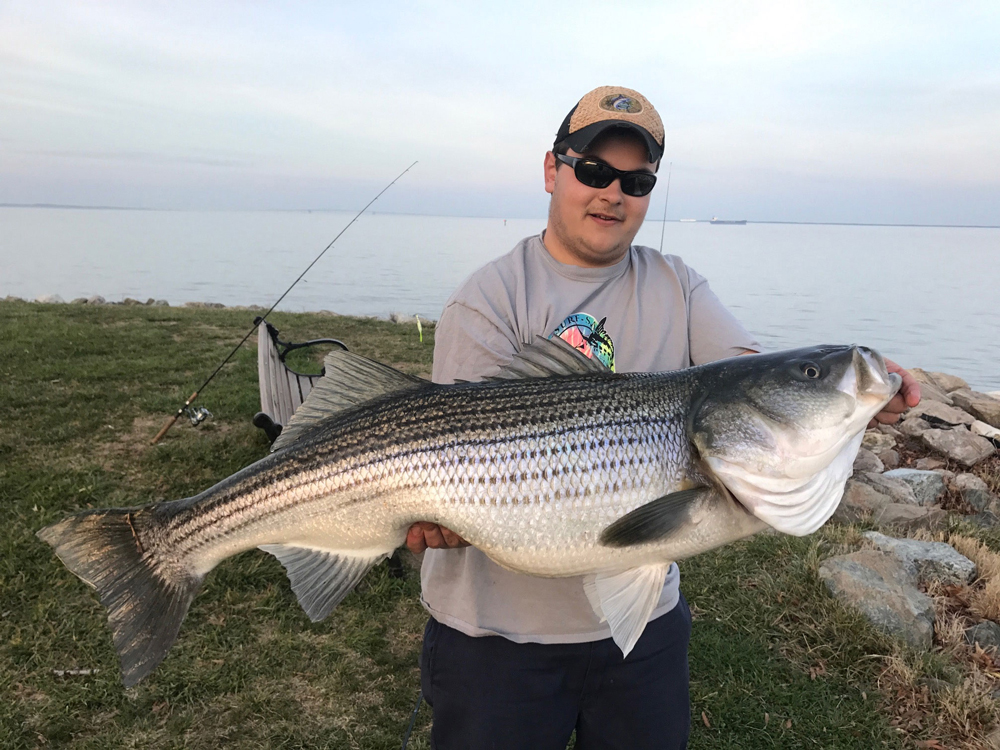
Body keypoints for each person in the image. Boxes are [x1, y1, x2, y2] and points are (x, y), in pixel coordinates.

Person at [406, 86, 920, 750]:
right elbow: (448, 446)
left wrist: (851, 401)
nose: (612, 193)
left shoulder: (677, 284)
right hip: (494, 642)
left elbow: (744, 373)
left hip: (643, 633)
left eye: (636, 179)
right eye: (592, 171)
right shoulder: (488, 296)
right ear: (550, 170)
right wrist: (428, 513)